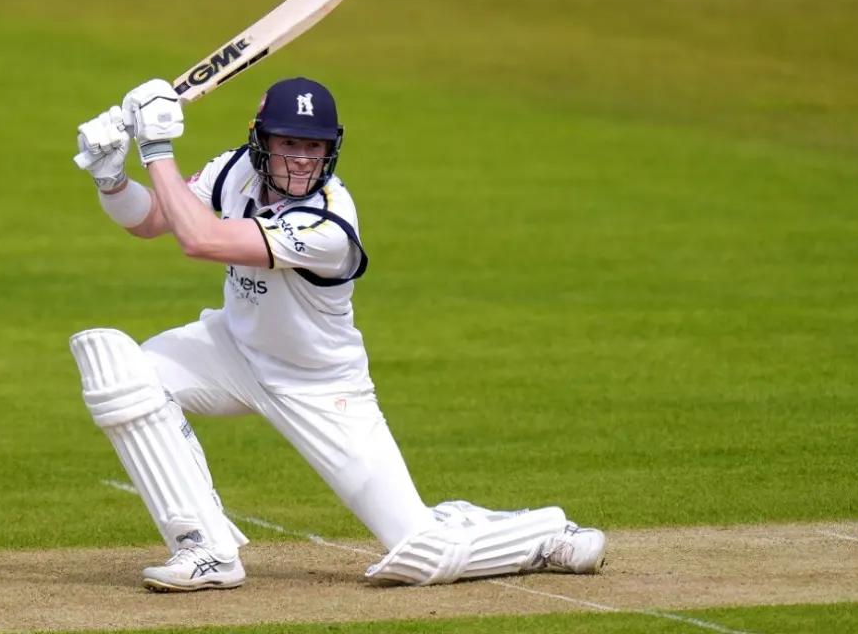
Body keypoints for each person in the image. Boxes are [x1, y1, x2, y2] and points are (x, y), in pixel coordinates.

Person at [69, 77, 606, 592]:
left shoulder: (327, 224)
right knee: (121, 371)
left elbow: (201, 239)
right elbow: (155, 219)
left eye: (314, 146)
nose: (303, 159)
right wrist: (111, 177)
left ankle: (540, 533)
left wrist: (157, 144)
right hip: (233, 350)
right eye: (289, 144)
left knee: (420, 553)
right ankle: (205, 549)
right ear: (260, 142)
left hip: (321, 387)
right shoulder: (234, 168)